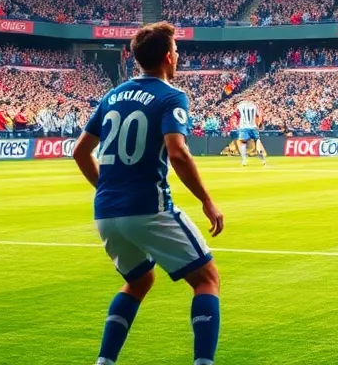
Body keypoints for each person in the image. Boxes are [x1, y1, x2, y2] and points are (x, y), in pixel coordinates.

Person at [73, 22, 225, 365]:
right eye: (177, 52)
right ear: (169, 57)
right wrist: (206, 200)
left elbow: (80, 152)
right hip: (147, 206)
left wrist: (108, 189)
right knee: (207, 278)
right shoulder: (171, 96)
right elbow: (177, 152)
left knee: (139, 280)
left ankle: (104, 361)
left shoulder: (112, 95)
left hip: (106, 212)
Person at [234, 98, 267, 168]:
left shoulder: (240, 105)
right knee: (257, 140)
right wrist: (258, 124)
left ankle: (244, 160)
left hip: (243, 127)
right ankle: (263, 159)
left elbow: (236, 113)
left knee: (242, 142)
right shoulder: (254, 105)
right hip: (253, 126)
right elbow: (260, 116)